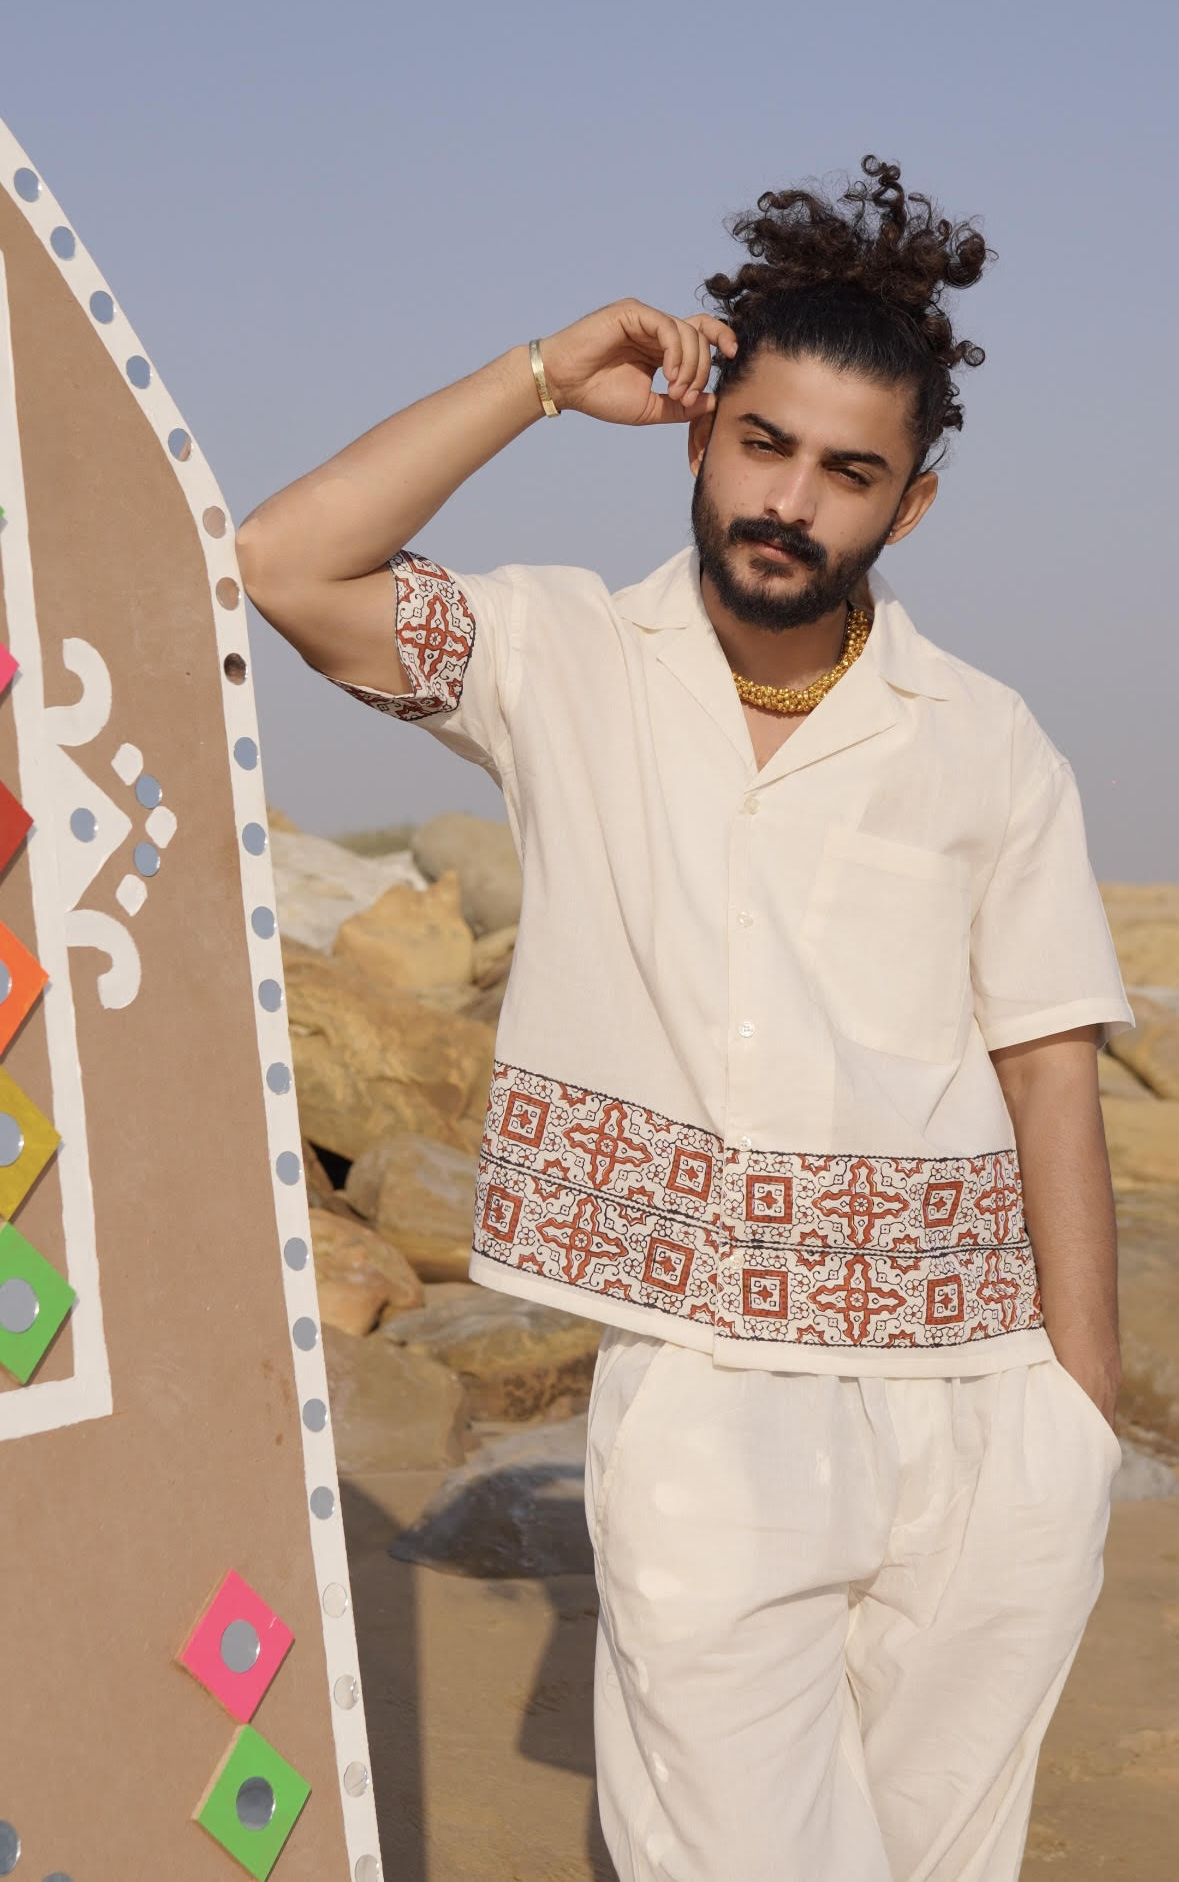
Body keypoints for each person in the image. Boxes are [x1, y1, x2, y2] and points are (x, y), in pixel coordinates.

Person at [237, 156, 1132, 1882]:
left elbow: (1048, 1069)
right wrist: (539, 376)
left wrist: (1077, 1421)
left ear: (910, 508)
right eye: (764, 444)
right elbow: (287, 561)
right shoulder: (561, 656)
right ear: (703, 430)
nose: (790, 501)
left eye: (849, 473)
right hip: (708, 1399)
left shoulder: (987, 737)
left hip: (984, 1408)